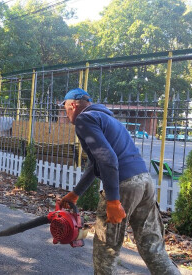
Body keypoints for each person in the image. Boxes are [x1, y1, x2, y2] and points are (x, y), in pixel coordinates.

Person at [59, 88, 180, 275]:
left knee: (106, 251)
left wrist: (113, 200)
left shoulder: (84, 119)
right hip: (144, 182)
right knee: (152, 246)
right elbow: (95, 163)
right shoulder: (108, 119)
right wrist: (75, 194)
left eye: (65, 109)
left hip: (123, 186)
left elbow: (108, 159)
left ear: (73, 105)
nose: (66, 115)